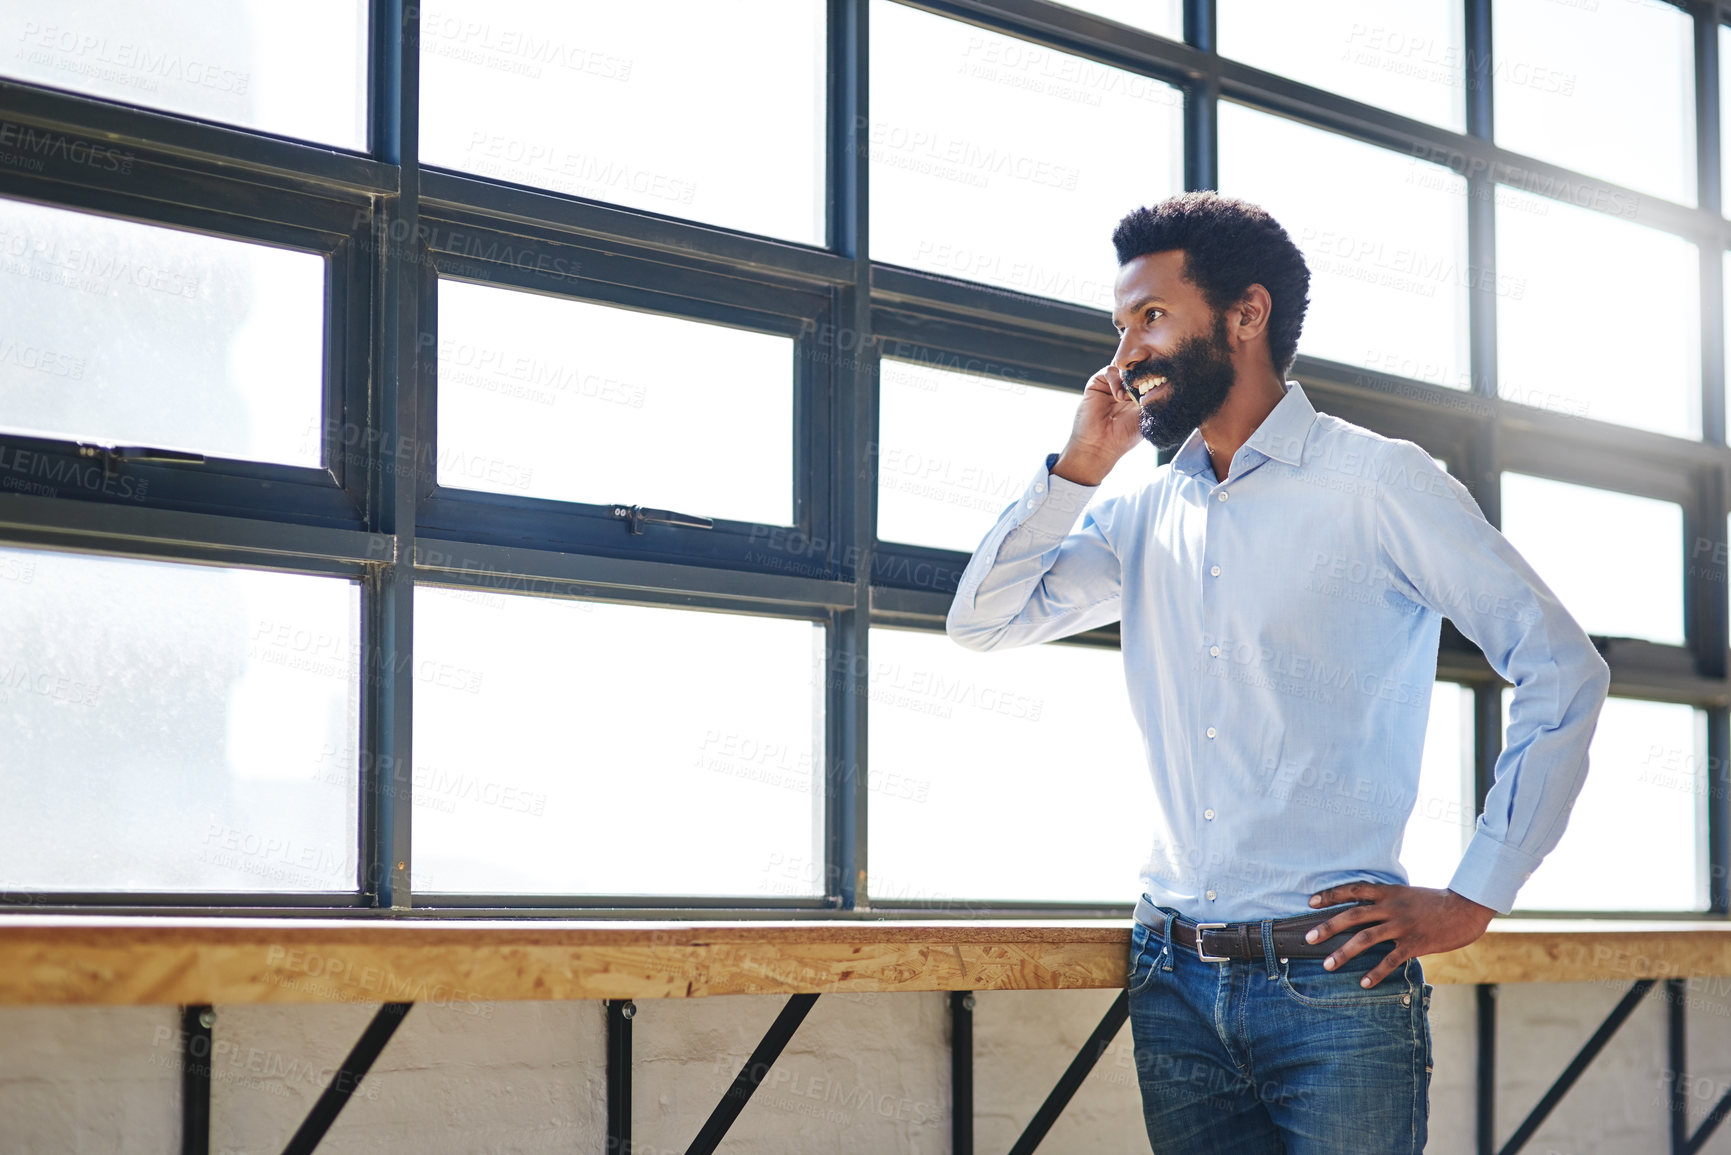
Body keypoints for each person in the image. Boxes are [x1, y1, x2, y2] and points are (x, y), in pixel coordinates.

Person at [944, 190, 1610, 1153]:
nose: (1124, 351)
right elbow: (983, 622)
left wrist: (1475, 894)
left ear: (1245, 314)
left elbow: (1559, 667)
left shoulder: (1378, 484)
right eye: (1119, 324)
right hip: (1170, 981)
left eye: (1151, 315)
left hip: (1334, 988)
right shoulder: (1139, 513)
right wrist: (1079, 469)